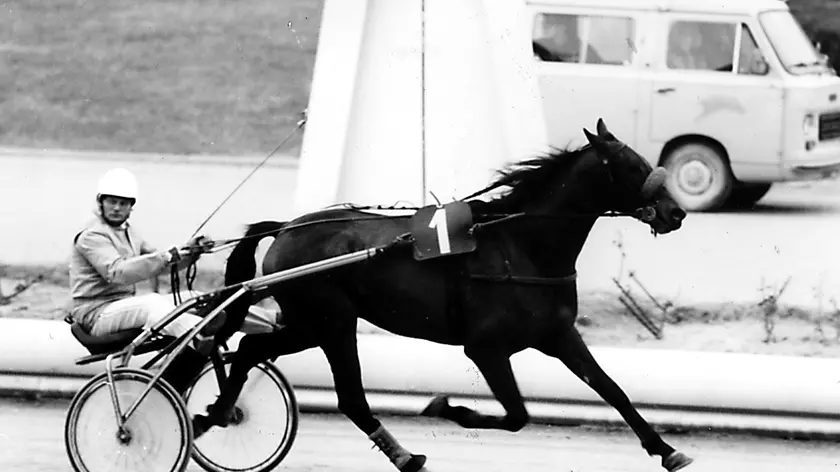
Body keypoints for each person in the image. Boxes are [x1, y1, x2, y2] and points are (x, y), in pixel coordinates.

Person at [68, 167, 216, 394]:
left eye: (124, 203)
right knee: (152, 302)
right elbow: (118, 272)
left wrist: (191, 251)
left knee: (196, 298)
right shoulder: (91, 235)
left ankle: (270, 322)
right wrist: (166, 255)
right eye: (112, 202)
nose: (117, 208)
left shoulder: (130, 233)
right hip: (96, 315)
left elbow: (162, 265)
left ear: (131, 207)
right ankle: (198, 339)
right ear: (101, 202)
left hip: (121, 309)